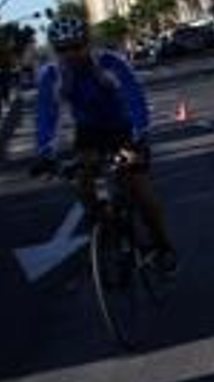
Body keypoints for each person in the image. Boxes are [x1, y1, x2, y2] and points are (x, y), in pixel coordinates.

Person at [30, 16, 178, 273]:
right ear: (56, 50)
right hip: (88, 133)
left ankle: (163, 245)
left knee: (140, 189)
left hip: (123, 129)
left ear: (87, 44)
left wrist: (139, 138)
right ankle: (107, 231)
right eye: (63, 49)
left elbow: (135, 99)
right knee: (83, 183)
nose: (71, 54)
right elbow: (46, 115)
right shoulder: (52, 75)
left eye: (76, 46)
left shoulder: (110, 63)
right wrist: (45, 153)